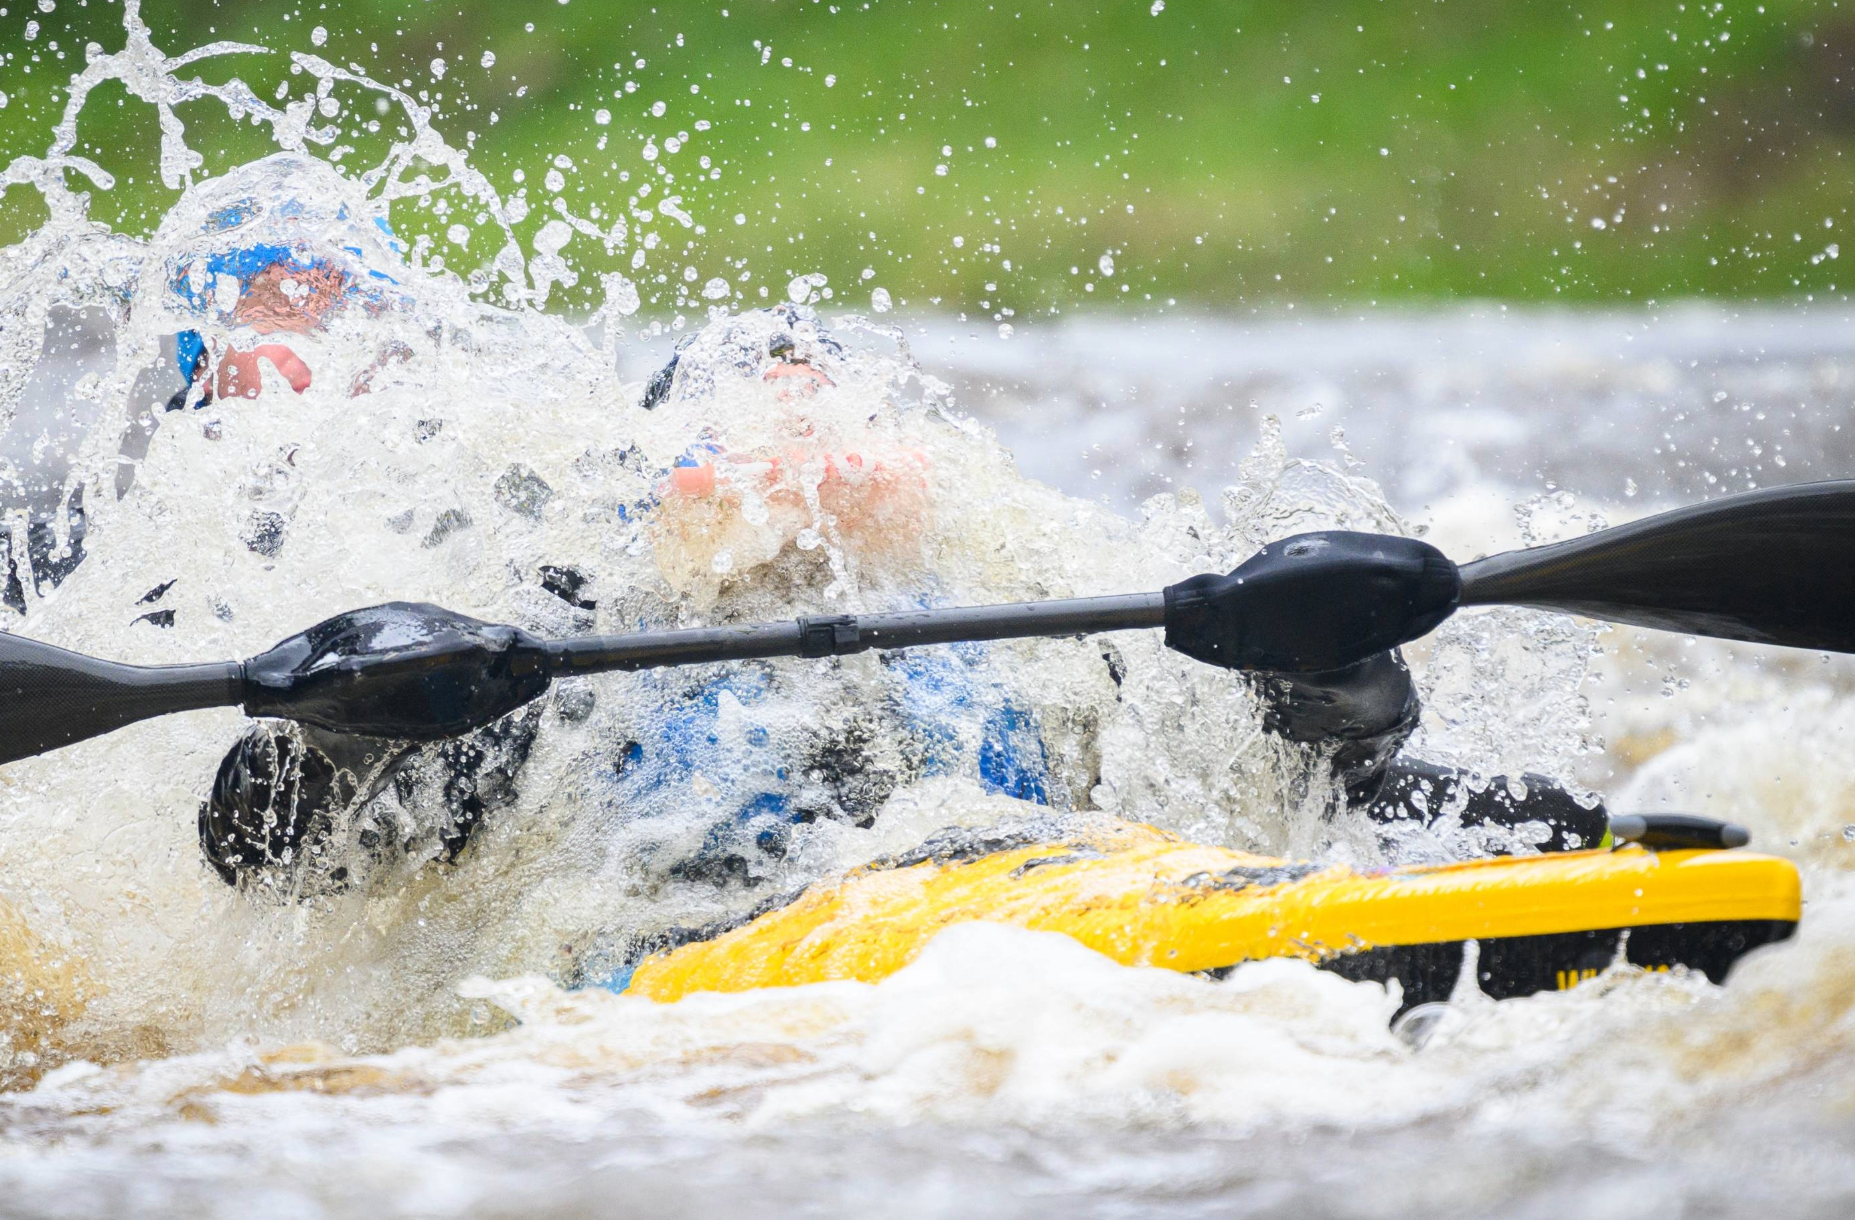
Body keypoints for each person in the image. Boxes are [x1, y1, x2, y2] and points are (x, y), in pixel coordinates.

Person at [192, 302, 1609, 907]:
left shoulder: (1036, 601)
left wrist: (1333, 676)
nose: (805, 460)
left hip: (1045, 908)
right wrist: (338, 730)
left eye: (837, 417)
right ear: (660, 481)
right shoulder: (559, 648)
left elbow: (1313, 798)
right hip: (706, 961)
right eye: (758, 423)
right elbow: (265, 860)